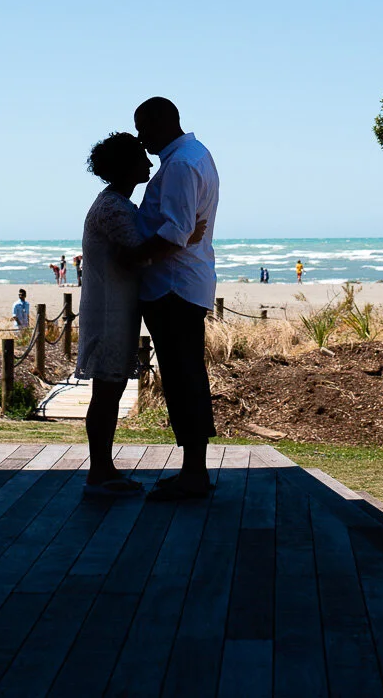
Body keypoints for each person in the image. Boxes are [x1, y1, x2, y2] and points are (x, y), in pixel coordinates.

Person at [77, 131, 206, 501]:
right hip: (109, 313)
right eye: (140, 158)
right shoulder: (114, 207)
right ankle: (99, 470)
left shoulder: (115, 203)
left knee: (110, 389)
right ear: (124, 166)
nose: (149, 163)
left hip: (115, 310)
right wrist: (187, 235)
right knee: (107, 390)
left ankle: (103, 469)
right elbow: (135, 253)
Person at [135, 97, 220, 503]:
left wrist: (132, 256)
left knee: (183, 378)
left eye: (143, 127)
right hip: (183, 284)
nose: (140, 138)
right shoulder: (192, 155)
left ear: (160, 122)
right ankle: (193, 469)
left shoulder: (182, 164)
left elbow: (176, 231)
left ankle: (194, 473)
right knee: (186, 376)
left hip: (173, 286)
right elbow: (186, 228)